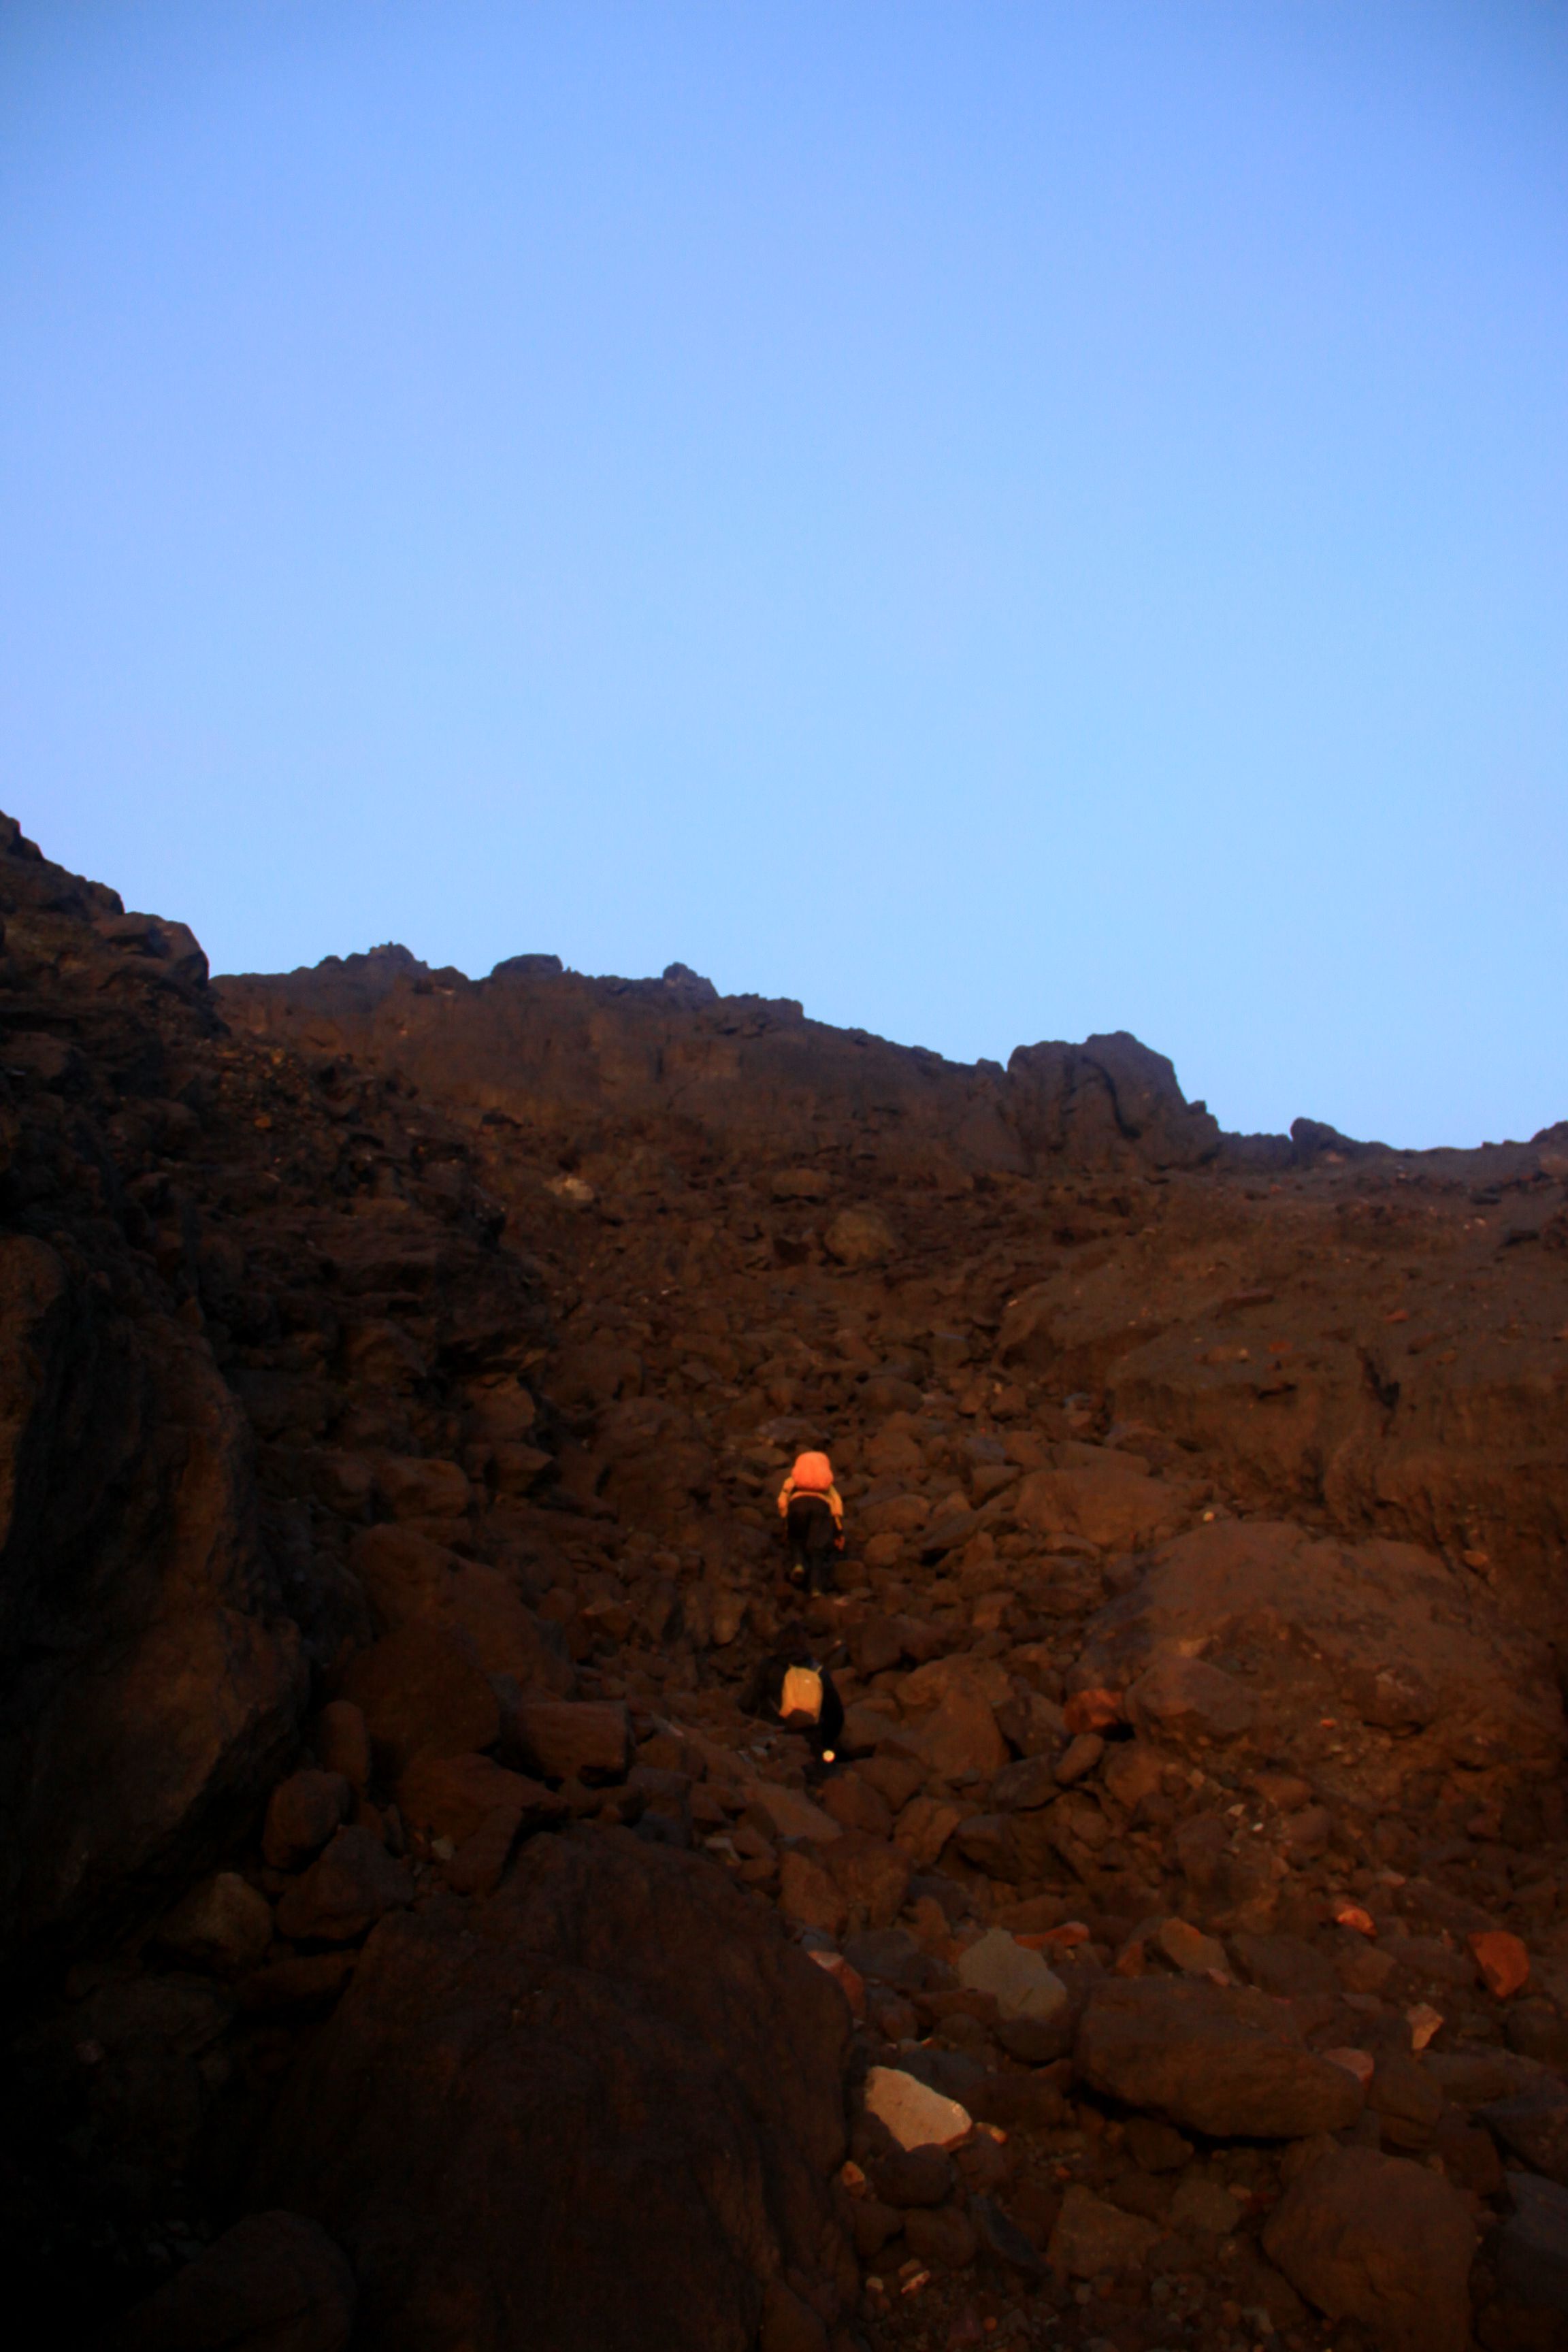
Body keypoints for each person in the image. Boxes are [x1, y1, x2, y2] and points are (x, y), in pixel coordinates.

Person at [741, 1635, 845, 1768]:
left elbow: (748, 1703)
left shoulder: (768, 1667)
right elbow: (836, 1716)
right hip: (811, 1740)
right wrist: (826, 1742)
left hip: (775, 1738)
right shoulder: (818, 1670)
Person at [776, 1449, 845, 1595]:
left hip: (797, 1505)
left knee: (797, 1539)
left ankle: (799, 1564)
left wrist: (786, 1521)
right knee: (817, 1550)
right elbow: (837, 1508)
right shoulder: (827, 1487)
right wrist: (839, 1532)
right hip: (820, 1507)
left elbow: (782, 1502)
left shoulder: (792, 1481)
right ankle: (815, 1588)